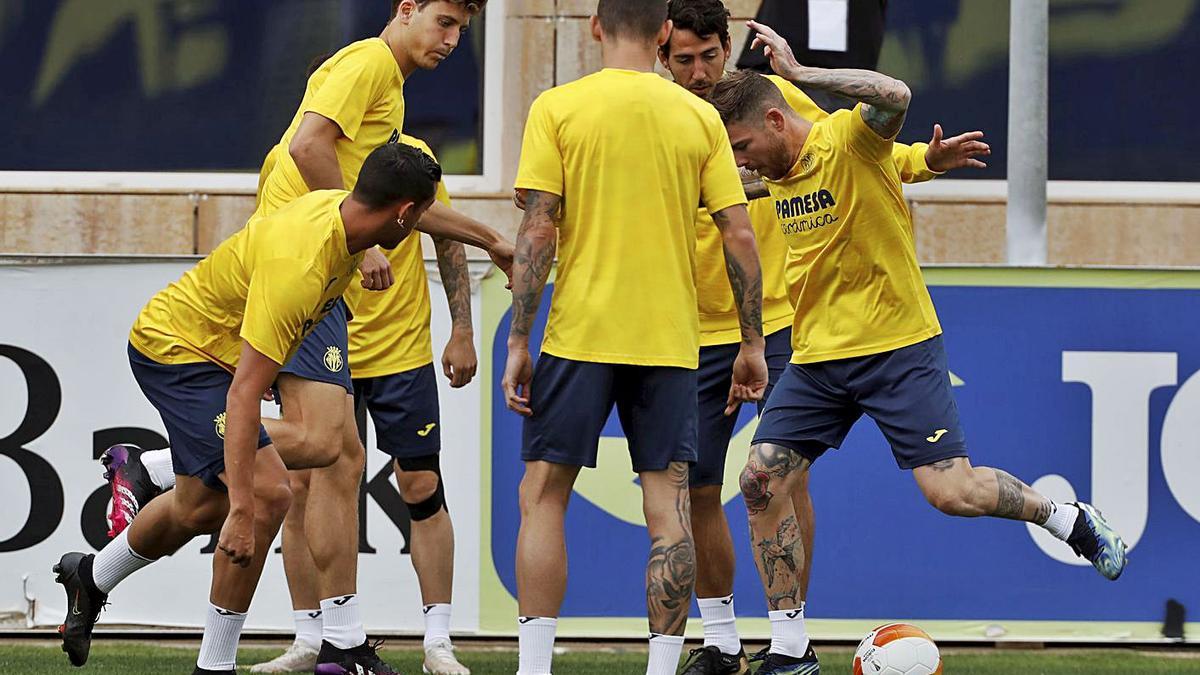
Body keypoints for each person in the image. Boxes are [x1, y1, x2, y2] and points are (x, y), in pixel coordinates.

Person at [707, 23, 1128, 674]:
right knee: (762, 479)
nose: (741, 160)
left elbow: (895, 94)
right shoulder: (777, 173)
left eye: (742, 145)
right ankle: (791, 648)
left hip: (898, 346)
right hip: (819, 357)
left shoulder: (845, 138)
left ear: (773, 118)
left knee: (952, 492)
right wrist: (923, 162)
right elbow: (887, 162)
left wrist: (800, 73)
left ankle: (1064, 515)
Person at [101, 1, 507, 672]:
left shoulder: (391, 91)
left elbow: (410, 203)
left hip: (327, 278)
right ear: (406, 12)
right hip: (304, 270)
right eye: (442, 21)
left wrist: (490, 240)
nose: (452, 39)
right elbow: (306, 147)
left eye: (463, 29)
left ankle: (331, 640)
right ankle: (326, 640)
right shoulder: (368, 61)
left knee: (312, 467)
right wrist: (362, 236)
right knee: (316, 457)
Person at [656, 2, 990, 672]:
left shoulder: (770, 99)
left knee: (782, 476)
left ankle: (790, 639)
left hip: (780, 320)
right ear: (663, 57)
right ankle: (722, 640)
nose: (697, 71)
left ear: (728, 49)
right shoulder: (660, 119)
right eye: (682, 59)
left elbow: (859, 151)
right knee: (696, 485)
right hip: (688, 325)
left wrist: (922, 159)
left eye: (708, 56)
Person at [54, 144, 442, 675]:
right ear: (402, 212)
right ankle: (215, 665)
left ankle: (93, 575)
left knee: (195, 509)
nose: (423, 224)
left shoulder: (347, 217)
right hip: (177, 352)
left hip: (214, 352)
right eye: (422, 214)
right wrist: (239, 510)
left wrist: (492, 240)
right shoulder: (301, 265)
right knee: (267, 494)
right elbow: (242, 394)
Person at [502, 1, 767, 673]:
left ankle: (534, 666)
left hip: (580, 333)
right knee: (669, 506)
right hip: (670, 340)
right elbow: (738, 234)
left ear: (595, 27)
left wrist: (518, 340)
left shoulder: (557, 108)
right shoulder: (698, 116)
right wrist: (751, 342)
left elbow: (537, 229)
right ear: (660, 36)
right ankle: (660, 667)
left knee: (542, 495)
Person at [251, 135, 476, 675]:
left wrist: (463, 328)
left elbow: (444, 236)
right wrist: (267, 351)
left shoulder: (411, 157)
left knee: (421, 486)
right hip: (320, 350)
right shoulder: (290, 157)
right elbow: (266, 249)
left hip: (402, 350)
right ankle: (313, 638)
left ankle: (438, 643)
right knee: (303, 488)